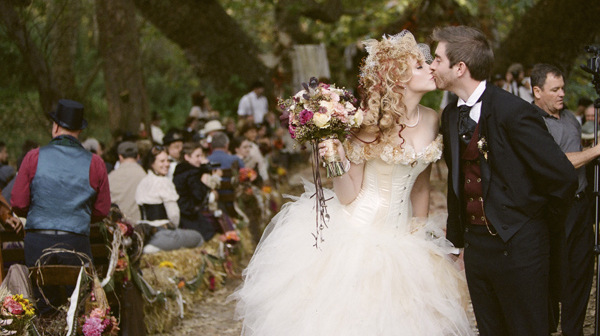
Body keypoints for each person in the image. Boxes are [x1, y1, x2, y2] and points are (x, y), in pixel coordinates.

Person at [231, 30, 473, 335]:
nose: (431, 68)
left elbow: (421, 186)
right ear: (397, 77)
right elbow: (347, 196)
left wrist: (419, 235)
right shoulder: (368, 125)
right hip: (360, 235)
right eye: (420, 66)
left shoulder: (432, 119)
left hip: (404, 238)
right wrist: (336, 158)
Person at [430, 26, 578, 336]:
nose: (432, 65)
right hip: (478, 248)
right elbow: (457, 184)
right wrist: (458, 241)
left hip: (522, 247)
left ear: (460, 67)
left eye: (437, 59)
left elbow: (562, 176)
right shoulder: (448, 115)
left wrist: (530, 224)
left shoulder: (514, 112)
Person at [11, 99, 111, 312]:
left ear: (55, 126)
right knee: (77, 306)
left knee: (42, 305)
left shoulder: (33, 157)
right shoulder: (95, 163)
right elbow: (102, 210)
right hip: (75, 241)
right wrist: (78, 215)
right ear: (80, 131)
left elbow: (18, 204)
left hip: (38, 241)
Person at [530, 63, 596, 336]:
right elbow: (559, 163)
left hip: (580, 204)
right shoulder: (531, 122)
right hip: (554, 210)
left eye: (563, 88)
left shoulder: (569, 116)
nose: (561, 94)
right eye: (554, 89)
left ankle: (574, 330)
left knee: (581, 270)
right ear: (537, 91)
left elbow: (577, 148)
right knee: (555, 273)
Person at [135, 145, 204, 254]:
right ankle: (156, 246)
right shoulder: (164, 182)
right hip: (162, 233)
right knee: (198, 237)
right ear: (152, 163)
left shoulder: (142, 182)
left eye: (168, 160)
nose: (167, 164)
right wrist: (174, 229)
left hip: (144, 232)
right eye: (162, 161)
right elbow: (174, 215)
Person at [172, 142, 220, 242]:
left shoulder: (182, 170)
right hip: (189, 215)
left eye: (202, 155)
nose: (200, 159)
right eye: (197, 156)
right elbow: (199, 196)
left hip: (184, 212)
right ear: (187, 157)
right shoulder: (192, 173)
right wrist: (205, 180)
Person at [108, 141, 146, 224]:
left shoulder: (111, 177)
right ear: (138, 157)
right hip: (139, 227)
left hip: (118, 227)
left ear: (120, 157)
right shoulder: (144, 176)